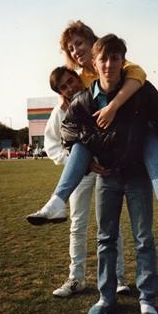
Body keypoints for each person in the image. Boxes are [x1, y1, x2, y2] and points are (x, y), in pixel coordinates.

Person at [27, 20, 158, 249]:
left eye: (79, 43)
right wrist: (65, 102)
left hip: (138, 133)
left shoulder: (117, 65)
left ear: (92, 41)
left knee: (155, 167)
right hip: (104, 149)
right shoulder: (78, 80)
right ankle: (57, 201)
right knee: (99, 226)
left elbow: (139, 74)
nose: (76, 51)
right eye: (71, 49)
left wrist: (113, 106)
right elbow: (70, 121)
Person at [62, 34, 158, 314]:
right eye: (102, 59)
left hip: (137, 177)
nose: (108, 64)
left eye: (114, 58)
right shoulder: (84, 98)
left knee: (144, 240)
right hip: (107, 178)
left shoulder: (139, 91)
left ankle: (147, 301)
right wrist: (88, 161)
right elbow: (68, 131)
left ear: (122, 61)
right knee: (106, 239)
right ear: (94, 62)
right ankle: (106, 297)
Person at [36, 65, 130, 296]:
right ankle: (75, 279)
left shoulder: (97, 97)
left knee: (110, 226)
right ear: (59, 91)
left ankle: (118, 278)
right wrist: (79, 163)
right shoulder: (59, 112)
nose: (70, 87)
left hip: (106, 171)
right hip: (81, 174)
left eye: (71, 80)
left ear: (78, 77)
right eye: (64, 87)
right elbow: (52, 144)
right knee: (78, 225)